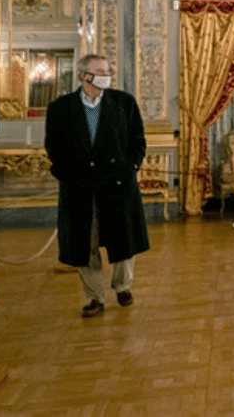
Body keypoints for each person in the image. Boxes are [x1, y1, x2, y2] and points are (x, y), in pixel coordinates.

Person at [45, 53, 150, 318]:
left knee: (123, 240)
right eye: (100, 71)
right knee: (85, 244)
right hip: (80, 189)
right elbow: (53, 147)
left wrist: (131, 167)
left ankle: (123, 286)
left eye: (107, 70)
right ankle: (95, 297)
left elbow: (138, 140)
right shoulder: (61, 107)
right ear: (83, 76)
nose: (106, 75)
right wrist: (66, 174)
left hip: (117, 185)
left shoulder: (124, 103)